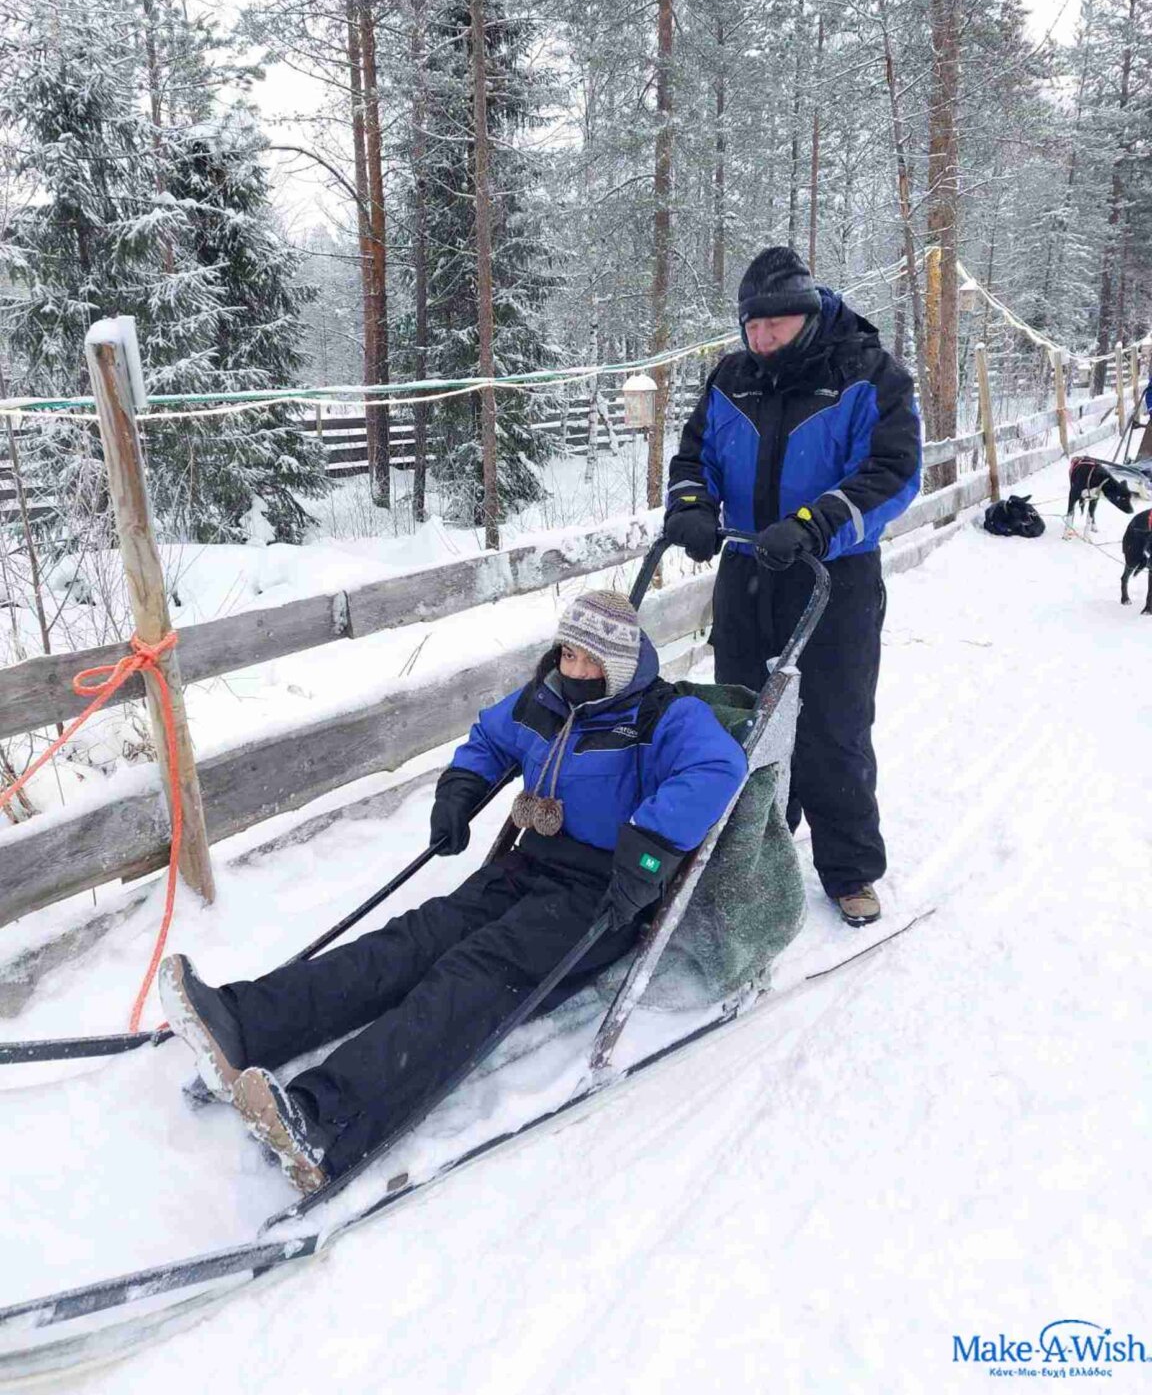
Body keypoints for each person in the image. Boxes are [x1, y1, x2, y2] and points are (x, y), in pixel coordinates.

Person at [159, 590, 746, 1192]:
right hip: (530, 863)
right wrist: (460, 788)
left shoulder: (662, 716)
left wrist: (648, 846)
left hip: (602, 895)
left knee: (474, 975)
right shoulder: (544, 698)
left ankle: (325, 1120)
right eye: (567, 654)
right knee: (413, 940)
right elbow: (490, 737)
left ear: (618, 667)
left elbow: (718, 767)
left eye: (589, 662)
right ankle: (245, 1022)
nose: (572, 670)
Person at [663, 245, 921, 929]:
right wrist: (691, 505)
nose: (760, 338)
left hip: (832, 576)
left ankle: (849, 869)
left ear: (806, 316)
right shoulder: (731, 379)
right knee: (742, 720)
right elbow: (693, 456)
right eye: (751, 326)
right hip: (749, 569)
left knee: (832, 726)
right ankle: (748, 857)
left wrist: (815, 523)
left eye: (773, 325)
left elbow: (892, 472)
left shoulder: (868, 375)